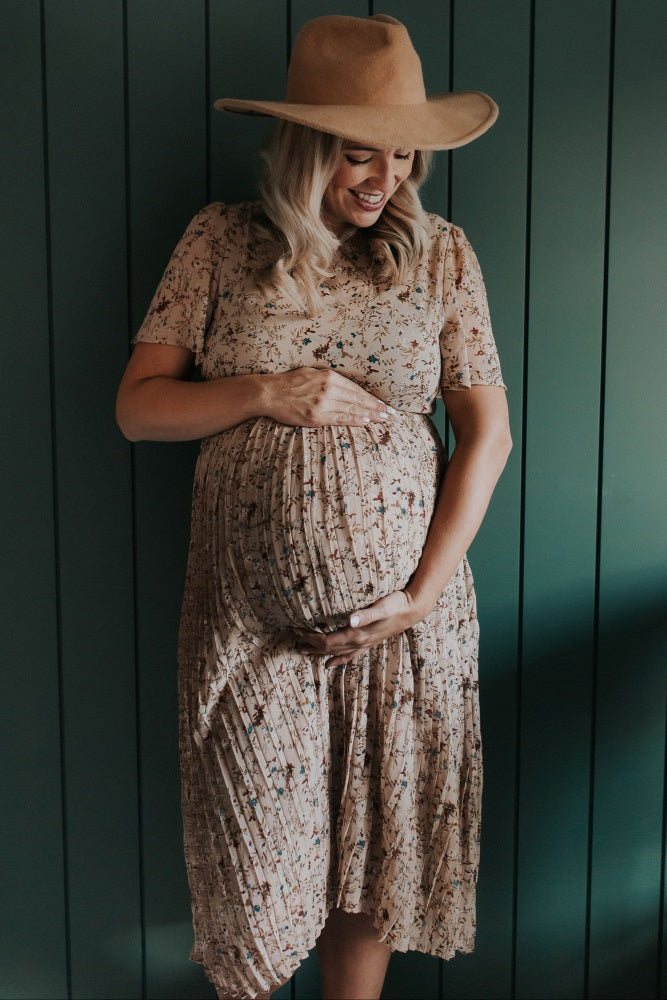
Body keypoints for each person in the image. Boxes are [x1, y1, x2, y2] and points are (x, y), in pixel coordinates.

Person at [116, 13, 511, 1000]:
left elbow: (488, 436)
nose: (384, 176)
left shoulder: (442, 257)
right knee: (256, 867)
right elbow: (137, 408)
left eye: (402, 153)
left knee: (367, 863)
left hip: (402, 631)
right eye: (356, 153)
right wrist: (261, 391)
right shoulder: (219, 242)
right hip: (250, 631)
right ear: (301, 146)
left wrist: (419, 594)